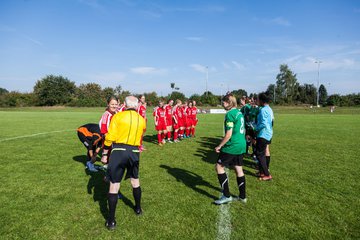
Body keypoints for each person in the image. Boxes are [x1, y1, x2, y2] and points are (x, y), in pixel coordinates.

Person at [101, 96, 146, 230]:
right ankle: (138, 208)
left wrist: (104, 154)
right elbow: (141, 136)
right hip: (134, 152)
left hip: (119, 151)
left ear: (125, 105)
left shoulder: (118, 117)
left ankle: (111, 221)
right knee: (135, 181)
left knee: (114, 185)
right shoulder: (141, 119)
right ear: (136, 105)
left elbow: (110, 137)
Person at [214, 94, 247, 205]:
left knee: (219, 167)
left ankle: (226, 195)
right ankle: (243, 197)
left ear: (229, 102)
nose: (222, 104)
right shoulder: (239, 112)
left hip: (233, 145)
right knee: (238, 169)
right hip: (241, 144)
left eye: (223, 102)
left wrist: (219, 146)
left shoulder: (230, 114)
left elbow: (228, 134)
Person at [255, 92, 274, 181]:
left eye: (258, 99)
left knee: (260, 154)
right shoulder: (269, 109)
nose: (257, 100)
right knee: (261, 153)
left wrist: (255, 128)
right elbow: (272, 121)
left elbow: (263, 123)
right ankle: (262, 172)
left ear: (262, 100)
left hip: (263, 134)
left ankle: (267, 174)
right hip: (268, 133)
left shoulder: (263, 110)